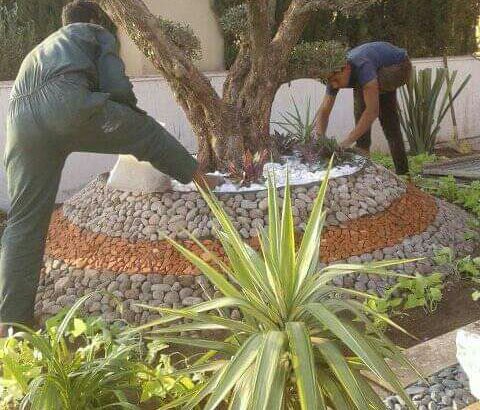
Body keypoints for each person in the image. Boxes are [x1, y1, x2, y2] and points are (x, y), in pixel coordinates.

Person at [0, 1, 221, 335]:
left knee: (23, 221)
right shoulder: (95, 32)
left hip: (20, 121)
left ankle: (11, 321)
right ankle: (201, 179)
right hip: (68, 105)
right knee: (146, 132)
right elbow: (116, 86)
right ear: (93, 18)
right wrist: (131, 118)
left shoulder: (44, 47)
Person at [314, 41, 412, 175]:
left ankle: (403, 172)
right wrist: (320, 140)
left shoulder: (362, 66)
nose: (334, 85)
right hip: (374, 69)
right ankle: (364, 158)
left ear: (347, 68)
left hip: (399, 67)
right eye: (330, 81)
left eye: (336, 80)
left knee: (387, 120)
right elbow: (324, 110)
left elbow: (372, 111)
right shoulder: (333, 75)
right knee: (362, 102)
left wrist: (346, 142)